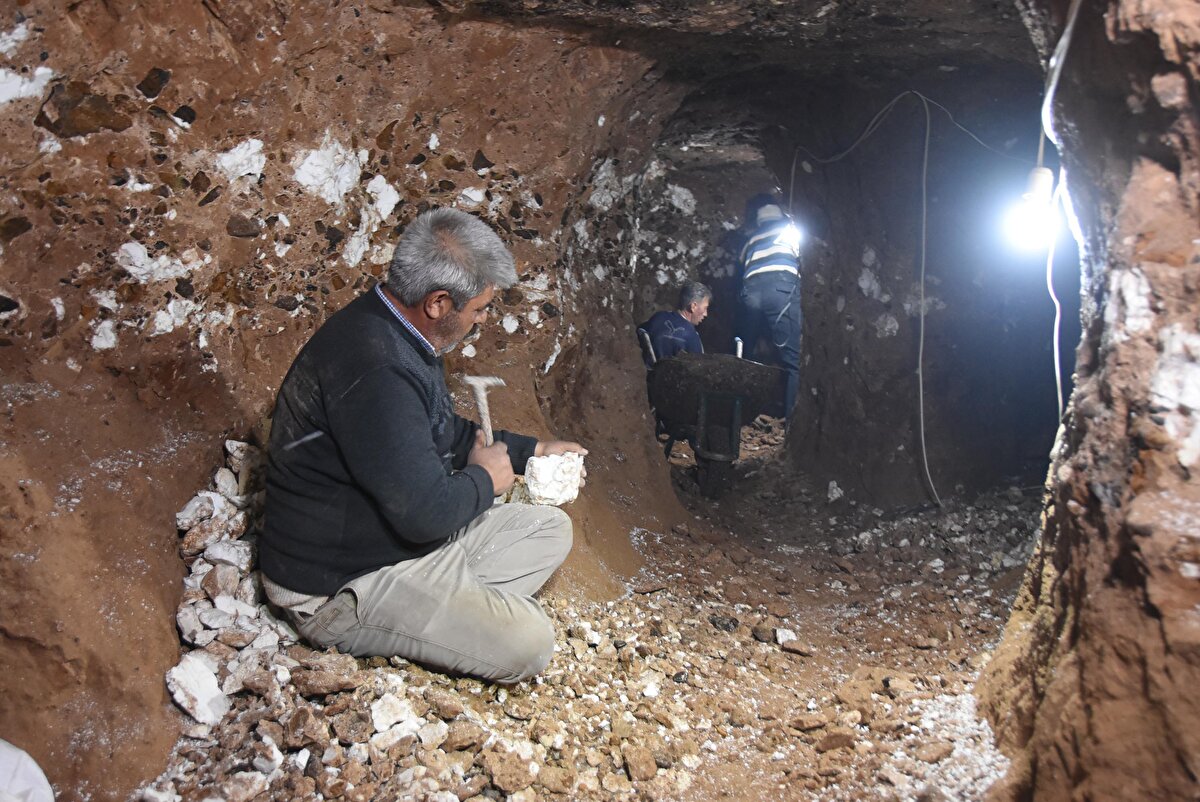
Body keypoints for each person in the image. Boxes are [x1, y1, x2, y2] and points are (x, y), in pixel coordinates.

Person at [259, 208, 586, 684]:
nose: (482, 320)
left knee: (550, 529)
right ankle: (448, 614)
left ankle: (453, 608)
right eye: (478, 309)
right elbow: (424, 514)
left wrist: (530, 451)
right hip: (343, 584)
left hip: (397, 545)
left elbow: (436, 430)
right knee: (530, 642)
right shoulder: (377, 368)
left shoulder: (393, 329)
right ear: (438, 303)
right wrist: (486, 480)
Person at [734, 199, 802, 416]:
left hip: (751, 291)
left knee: (743, 355)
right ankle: (792, 425)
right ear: (780, 216)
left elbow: (741, 261)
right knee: (794, 361)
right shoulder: (790, 231)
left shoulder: (751, 240)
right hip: (779, 289)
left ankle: (736, 415)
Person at [637, 281, 711, 368]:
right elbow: (699, 371)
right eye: (705, 308)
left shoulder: (658, 317)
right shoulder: (692, 336)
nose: (706, 314)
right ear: (693, 306)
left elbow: (640, 332)